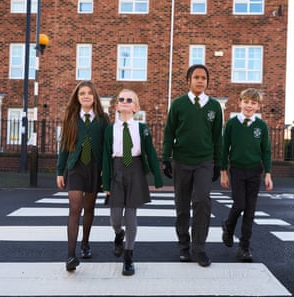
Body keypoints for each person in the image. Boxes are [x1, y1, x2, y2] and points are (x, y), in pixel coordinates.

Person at [162, 64, 222, 267]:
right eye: (196, 77)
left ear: (207, 81)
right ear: (188, 80)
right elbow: (169, 132)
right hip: (181, 161)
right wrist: (165, 158)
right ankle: (183, 247)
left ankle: (199, 248)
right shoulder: (178, 104)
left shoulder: (214, 107)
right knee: (182, 205)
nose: (200, 81)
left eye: (203, 78)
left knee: (202, 202)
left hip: (204, 161)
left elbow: (217, 138)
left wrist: (218, 164)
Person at [102, 89, 163, 276]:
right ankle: (118, 234)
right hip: (117, 171)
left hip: (135, 171)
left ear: (136, 107)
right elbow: (105, 156)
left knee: (131, 217)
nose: (125, 102)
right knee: (115, 218)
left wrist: (158, 177)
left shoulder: (141, 128)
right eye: (122, 99)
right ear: (117, 106)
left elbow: (150, 152)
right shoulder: (110, 129)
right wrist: (105, 184)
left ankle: (128, 256)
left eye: (130, 100)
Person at [56, 81, 109, 271]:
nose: (85, 96)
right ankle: (71, 255)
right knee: (75, 208)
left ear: (94, 96)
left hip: (95, 168)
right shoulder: (70, 118)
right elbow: (64, 146)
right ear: (77, 98)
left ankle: (85, 243)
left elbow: (107, 147)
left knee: (89, 208)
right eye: (82, 94)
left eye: (89, 93)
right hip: (75, 168)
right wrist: (60, 171)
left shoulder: (103, 119)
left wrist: (106, 169)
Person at [220, 88, 273, 262]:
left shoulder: (261, 126)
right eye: (246, 102)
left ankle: (244, 247)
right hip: (236, 170)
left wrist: (268, 173)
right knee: (240, 204)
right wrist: (223, 172)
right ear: (240, 103)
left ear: (258, 106)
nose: (249, 106)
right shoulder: (232, 124)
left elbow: (266, 151)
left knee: (250, 210)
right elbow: (224, 148)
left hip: (254, 171)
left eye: (253, 103)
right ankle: (228, 226)